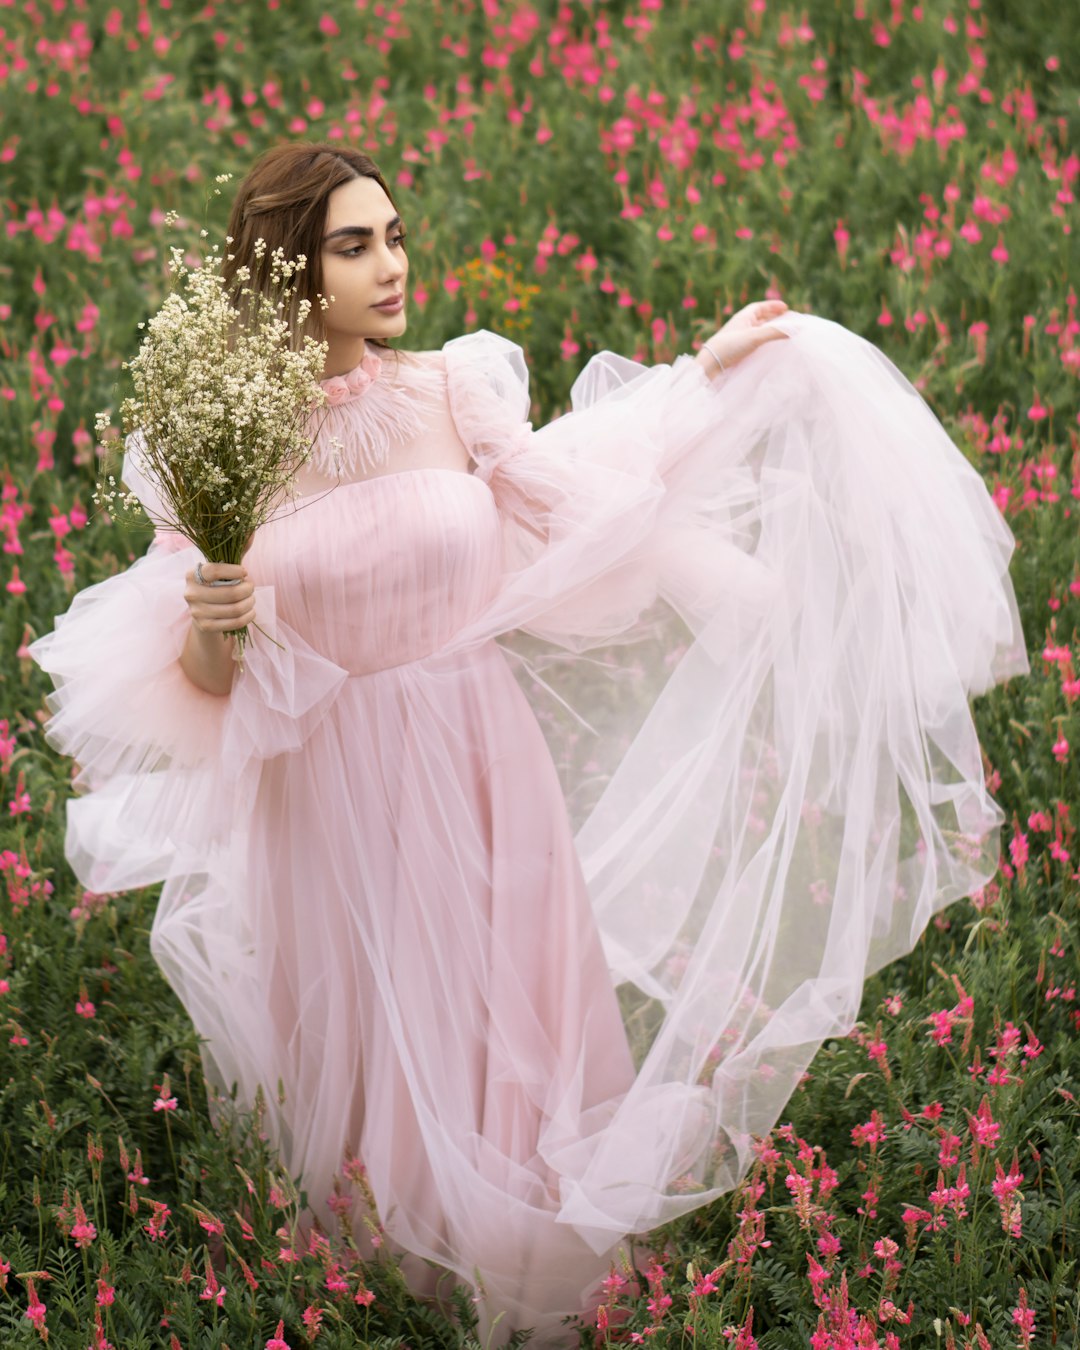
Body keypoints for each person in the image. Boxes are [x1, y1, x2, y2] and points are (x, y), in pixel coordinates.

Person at [29, 142, 1029, 1346]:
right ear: (286, 270)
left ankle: (515, 1259)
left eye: (395, 234)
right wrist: (215, 628)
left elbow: (580, 497)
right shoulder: (226, 440)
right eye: (354, 245)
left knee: (499, 1014)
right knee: (367, 1024)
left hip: (472, 751)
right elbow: (201, 691)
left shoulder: (453, 390)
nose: (392, 264)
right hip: (329, 786)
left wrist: (701, 382)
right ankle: (373, 1284)